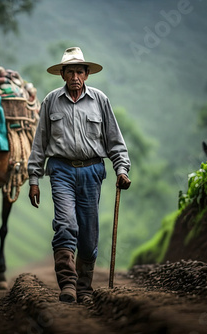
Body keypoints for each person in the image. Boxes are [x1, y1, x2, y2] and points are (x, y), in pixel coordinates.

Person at [27, 47, 131, 304]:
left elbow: (115, 141)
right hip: (61, 170)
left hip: (92, 171)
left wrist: (121, 169)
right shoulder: (51, 100)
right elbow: (39, 143)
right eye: (70, 71)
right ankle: (68, 284)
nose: (75, 76)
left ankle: (85, 287)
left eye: (80, 71)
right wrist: (34, 179)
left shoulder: (100, 100)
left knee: (88, 234)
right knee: (65, 225)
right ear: (62, 74)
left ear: (87, 74)